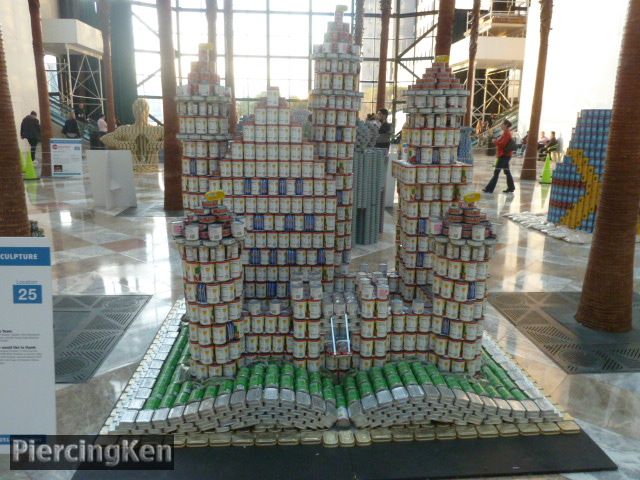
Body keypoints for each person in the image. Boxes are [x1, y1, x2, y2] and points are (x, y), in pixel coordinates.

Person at [483, 119, 516, 194]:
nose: (501, 125)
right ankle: (511, 187)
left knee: (496, 172)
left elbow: (502, 144)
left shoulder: (507, 133)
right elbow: (502, 142)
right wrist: (497, 141)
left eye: (502, 124)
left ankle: (489, 189)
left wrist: (495, 141)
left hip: (504, 155)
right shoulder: (505, 133)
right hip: (505, 155)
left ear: (506, 125)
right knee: (507, 172)